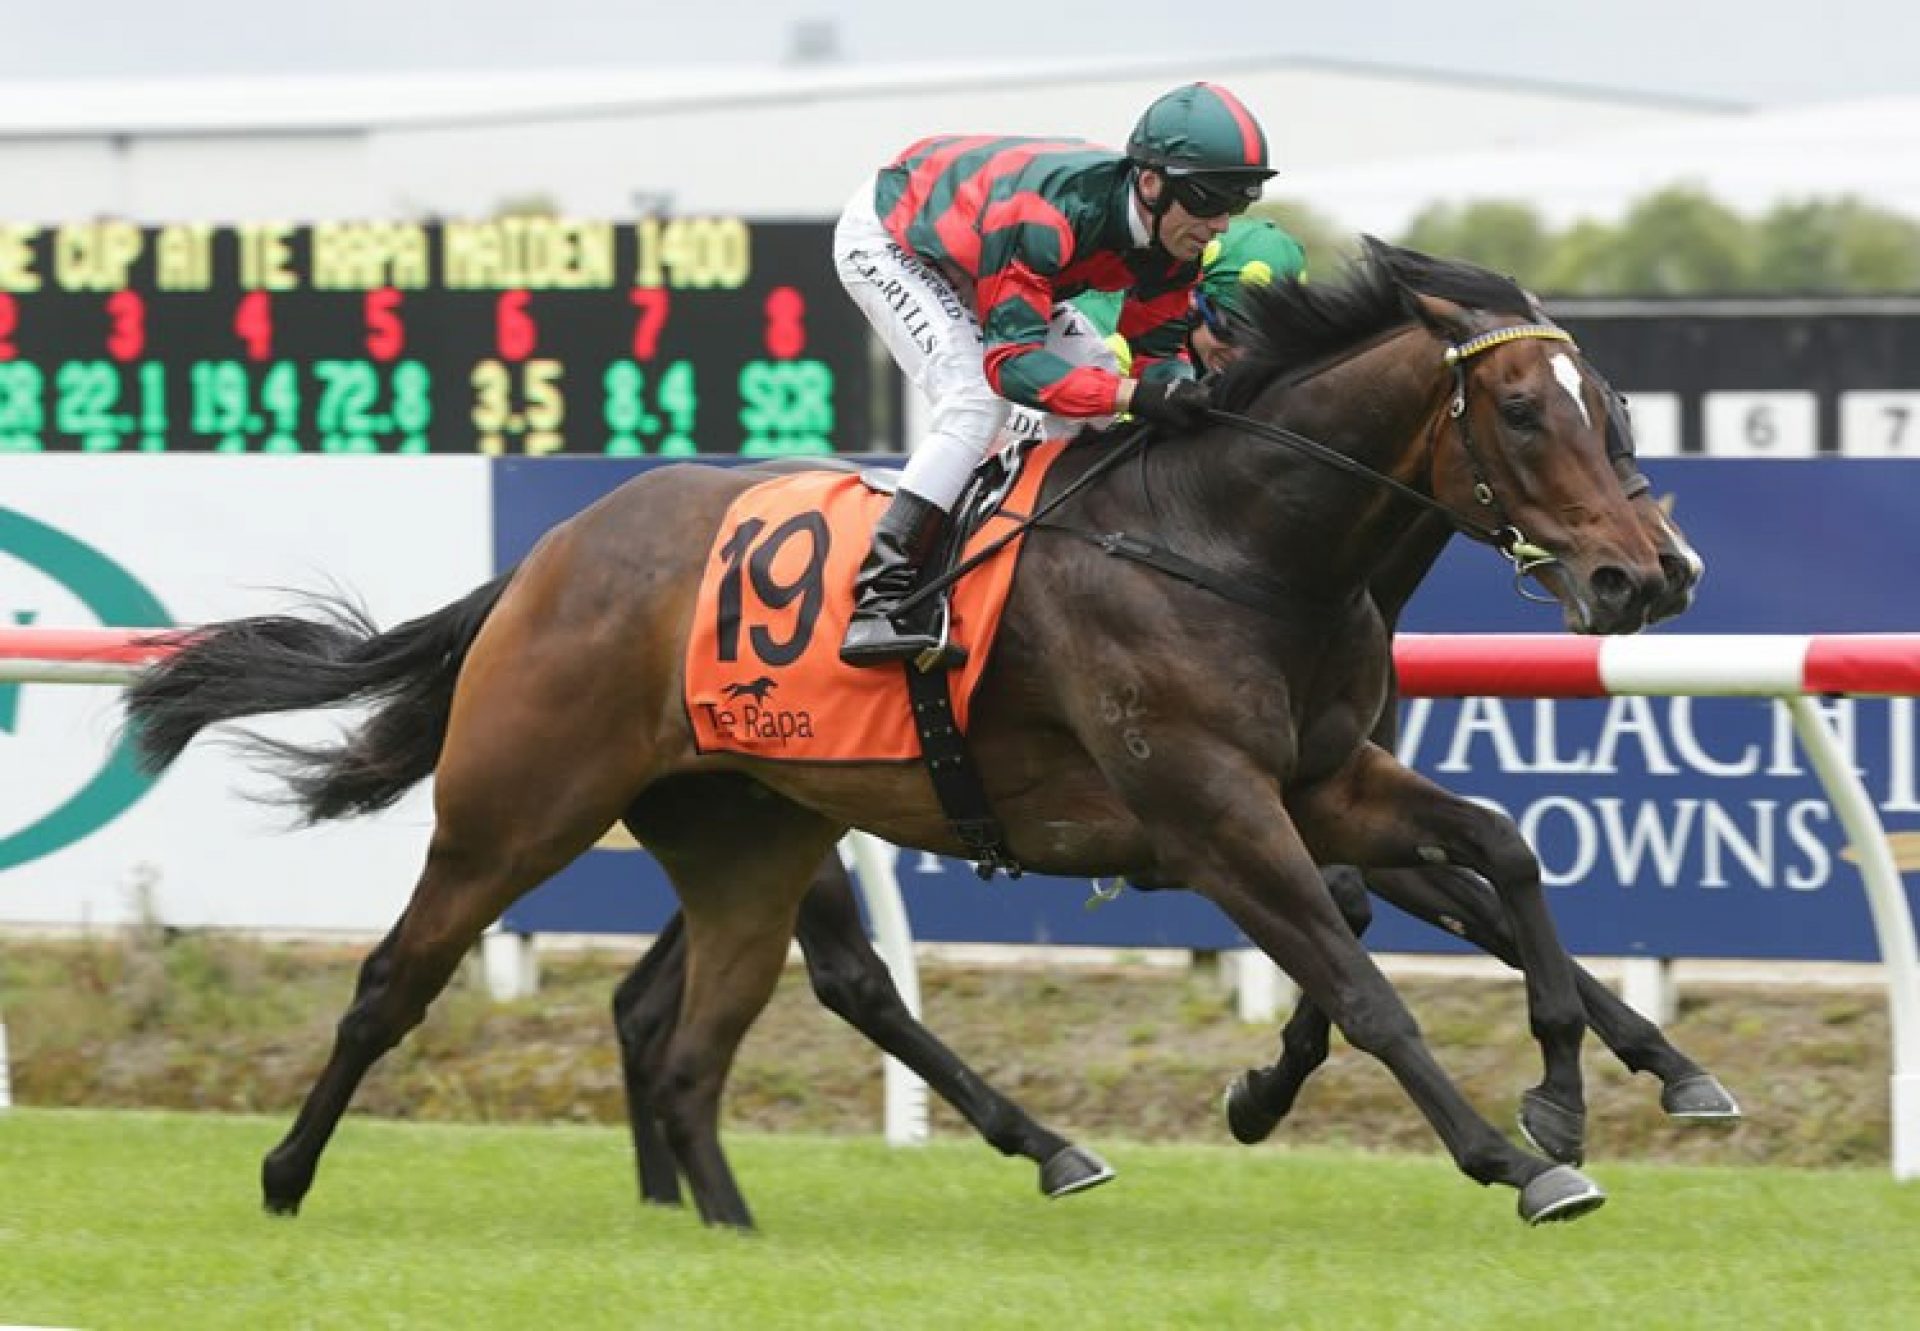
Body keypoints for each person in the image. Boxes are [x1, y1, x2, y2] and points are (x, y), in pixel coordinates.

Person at [832, 82, 1277, 667]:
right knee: (973, 401)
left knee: (1095, 375)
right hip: (899, 240)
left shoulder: (1177, 239)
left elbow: (1155, 356)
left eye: (1235, 204)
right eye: (1207, 200)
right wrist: (1139, 395)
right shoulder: (1050, 214)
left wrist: (1178, 399)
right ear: (1151, 183)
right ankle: (879, 598)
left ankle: (1036, 555)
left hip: (983, 247)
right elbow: (1011, 366)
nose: (1220, 224)